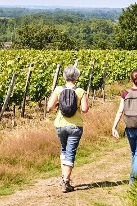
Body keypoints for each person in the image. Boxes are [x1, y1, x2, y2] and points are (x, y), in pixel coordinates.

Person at [47, 64, 90, 193]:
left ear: (65, 76)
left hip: (60, 124)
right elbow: (85, 109)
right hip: (75, 125)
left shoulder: (59, 89)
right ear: (76, 77)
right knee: (70, 152)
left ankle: (64, 177)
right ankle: (66, 182)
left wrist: (60, 104)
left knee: (64, 150)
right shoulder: (80, 91)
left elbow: (50, 107)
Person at [111, 69, 137, 184]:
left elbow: (120, 111)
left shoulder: (125, 93)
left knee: (134, 154)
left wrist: (114, 127)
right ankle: (133, 181)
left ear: (131, 80)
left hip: (129, 128)